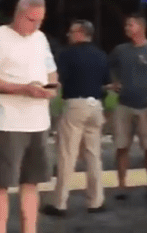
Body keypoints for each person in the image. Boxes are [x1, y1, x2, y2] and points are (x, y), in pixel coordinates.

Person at [0, 0, 66, 233]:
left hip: (37, 121)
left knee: (32, 182)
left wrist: (50, 88)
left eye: (40, 20)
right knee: (2, 183)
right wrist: (23, 89)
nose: (35, 25)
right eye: (30, 19)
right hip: (7, 121)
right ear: (18, 13)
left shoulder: (40, 39)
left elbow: (51, 72)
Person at [42, 20, 111, 217]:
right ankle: (96, 201)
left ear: (80, 33)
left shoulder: (67, 54)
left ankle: (60, 203)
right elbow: (106, 82)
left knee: (67, 155)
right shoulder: (100, 54)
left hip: (75, 105)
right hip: (96, 106)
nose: (68, 35)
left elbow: (56, 80)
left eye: (72, 32)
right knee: (93, 155)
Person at [107, 13, 147, 201]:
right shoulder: (120, 50)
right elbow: (108, 68)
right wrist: (113, 82)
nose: (127, 28)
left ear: (141, 27)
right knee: (121, 146)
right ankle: (122, 185)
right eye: (126, 25)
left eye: (130, 25)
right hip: (124, 105)